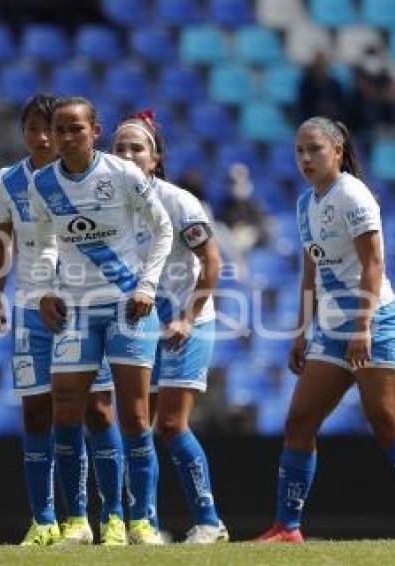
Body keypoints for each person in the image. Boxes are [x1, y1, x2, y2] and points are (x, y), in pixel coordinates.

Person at [255, 117, 395, 542]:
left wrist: (362, 325)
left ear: (338, 151)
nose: (305, 158)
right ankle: (287, 528)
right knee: (300, 420)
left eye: (315, 149)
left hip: (374, 322)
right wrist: (301, 329)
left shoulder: (353, 194)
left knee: (386, 423)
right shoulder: (307, 203)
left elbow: (373, 263)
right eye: (300, 151)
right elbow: (311, 271)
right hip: (330, 328)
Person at [29, 96, 173, 545]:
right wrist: (46, 290)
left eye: (76, 128)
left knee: (133, 415)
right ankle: (78, 521)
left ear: (94, 130)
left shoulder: (123, 174)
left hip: (127, 305)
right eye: (60, 129)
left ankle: (138, 521)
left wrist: (147, 286)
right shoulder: (43, 183)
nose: (67, 137)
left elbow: (163, 229)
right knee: (67, 411)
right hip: (75, 309)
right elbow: (44, 242)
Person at [0, 94, 126, 546]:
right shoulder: (8, 181)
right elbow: (0, 238)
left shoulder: (88, 178)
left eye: (52, 128)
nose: (44, 137)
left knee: (98, 411)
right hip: (31, 308)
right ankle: (47, 520)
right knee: (36, 414)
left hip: (82, 305)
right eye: (33, 128)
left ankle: (111, 517)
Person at [112, 111, 227, 544]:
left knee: (172, 426)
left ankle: (209, 521)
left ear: (155, 158)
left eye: (136, 148)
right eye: (119, 147)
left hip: (186, 322)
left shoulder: (179, 202)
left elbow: (213, 262)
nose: (127, 155)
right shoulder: (108, 207)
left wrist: (187, 317)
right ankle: (146, 525)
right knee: (138, 427)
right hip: (141, 326)